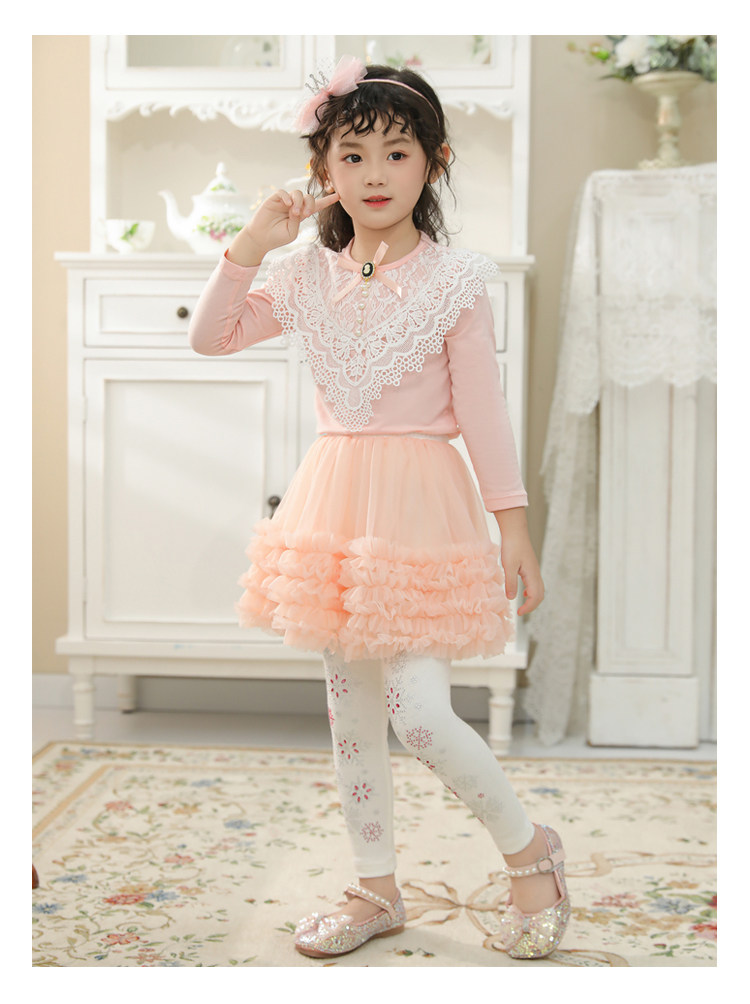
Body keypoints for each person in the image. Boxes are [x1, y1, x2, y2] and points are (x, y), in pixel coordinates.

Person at [189, 54, 570, 961]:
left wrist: (514, 526)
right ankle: (376, 887)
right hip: (334, 505)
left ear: (434, 162)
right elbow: (212, 337)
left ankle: (531, 853)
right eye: (351, 155)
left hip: (423, 510)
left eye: (396, 153)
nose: (373, 174)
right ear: (323, 169)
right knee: (351, 712)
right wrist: (252, 244)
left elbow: (484, 413)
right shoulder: (305, 274)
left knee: (420, 712)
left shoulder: (455, 280)